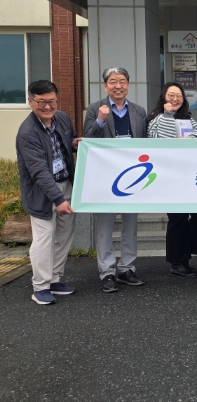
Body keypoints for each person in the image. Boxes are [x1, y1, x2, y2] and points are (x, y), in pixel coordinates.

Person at [83, 66, 148, 293]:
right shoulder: (95, 109)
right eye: (113, 81)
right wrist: (100, 120)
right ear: (105, 86)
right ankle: (107, 272)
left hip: (132, 176)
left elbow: (145, 143)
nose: (118, 86)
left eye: (122, 81)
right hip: (106, 177)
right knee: (105, 227)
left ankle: (127, 268)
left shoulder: (139, 111)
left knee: (131, 226)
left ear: (128, 85)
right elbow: (87, 140)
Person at [16, 80, 81, 305]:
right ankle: (40, 286)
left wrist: (74, 144)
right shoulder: (27, 132)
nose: (47, 107)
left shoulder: (61, 118)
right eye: (41, 102)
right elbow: (39, 171)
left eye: (51, 101)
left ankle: (54, 279)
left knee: (64, 234)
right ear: (30, 101)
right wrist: (58, 199)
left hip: (66, 183)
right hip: (42, 192)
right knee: (44, 238)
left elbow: (65, 142)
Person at [147, 83, 197, 278]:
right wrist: (168, 115)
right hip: (169, 179)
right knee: (177, 219)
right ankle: (176, 263)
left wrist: (189, 139)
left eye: (178, 95)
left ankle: (185, 256)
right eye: (170, 95)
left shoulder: (189, 120)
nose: (175, 99)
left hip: (190, 177)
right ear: (163, 97)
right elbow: (161, 141)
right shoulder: (157, 119)